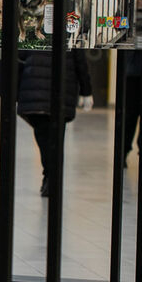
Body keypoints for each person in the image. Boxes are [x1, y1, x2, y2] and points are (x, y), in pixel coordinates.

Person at [17, 49, 93, 197]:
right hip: (62, 87)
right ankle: (52, 177)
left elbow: (20, 54)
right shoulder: (72, 28)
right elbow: (80, 61)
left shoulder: (32, 27)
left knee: (42, 134)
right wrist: (86, 90)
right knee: (56, 139)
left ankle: (49, 175)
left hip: (35, 84)